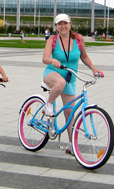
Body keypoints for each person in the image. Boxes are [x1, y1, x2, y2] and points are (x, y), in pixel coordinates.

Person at [42, 14, 101, 155]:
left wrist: (93, 68)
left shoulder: (78, 39)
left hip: (70, 78)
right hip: (52, 73)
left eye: (65, 23)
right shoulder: (53, 39)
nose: (63, 26)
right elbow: (45, 58)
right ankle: (48, 105)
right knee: (60, 82)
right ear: (56, 26)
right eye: (59, 24)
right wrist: (52, 61)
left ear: (70, 24)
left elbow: (84, 56)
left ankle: (71, 144)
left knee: (70, 113)